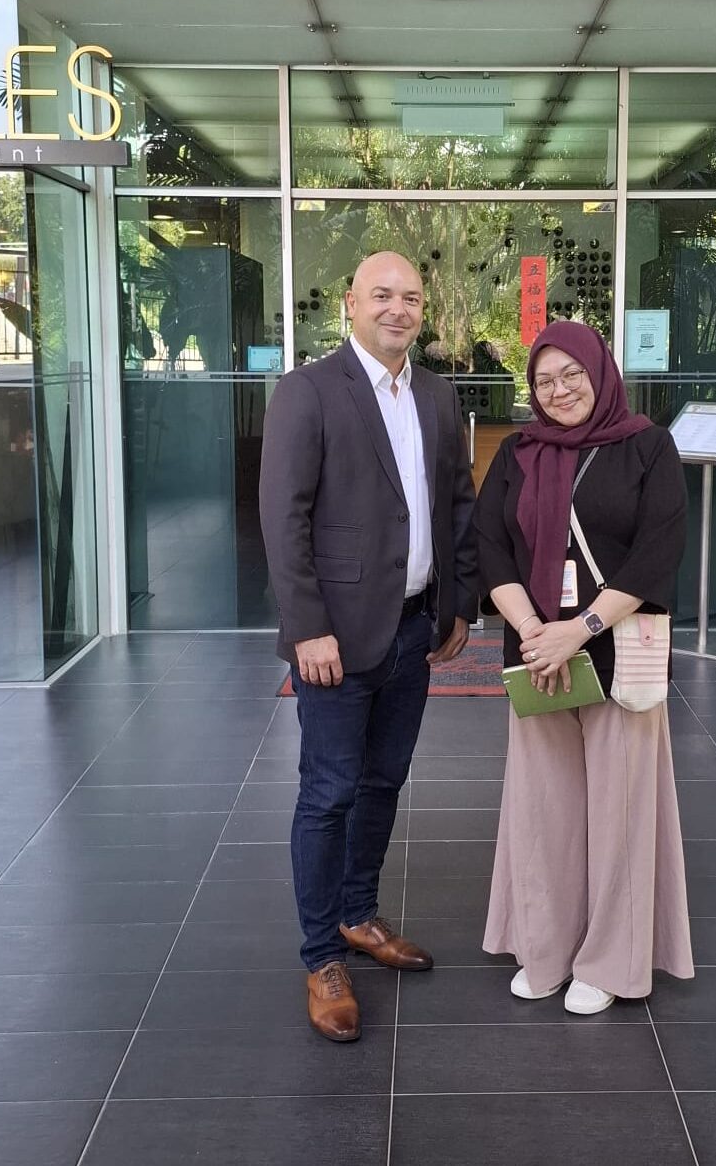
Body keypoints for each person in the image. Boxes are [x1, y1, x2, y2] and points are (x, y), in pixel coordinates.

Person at [260, 251, 478, 1042]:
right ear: (349, 304)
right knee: (329, 793)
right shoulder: (309, 391)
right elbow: (283, 516)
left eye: (410, 297)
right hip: (335, 637)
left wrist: (459, 605)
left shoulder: (437, 394)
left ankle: (357, 913)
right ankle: (322, 955)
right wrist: (306, 625)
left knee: (384, 780)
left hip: (415, 627)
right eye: (381, 294)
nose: (398, 308)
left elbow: (457, 504)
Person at [473, 320, 694, 1013]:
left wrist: (580, 628)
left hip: (614, 647)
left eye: (572, 374)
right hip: (538, 652)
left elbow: (658, 551)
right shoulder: (518, 452)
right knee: (544, 810)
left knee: (620, 810)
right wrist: (534, 631)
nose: (559, 389)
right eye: (544, 380)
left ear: (600, 373)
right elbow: (489, 547)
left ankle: (608, 961)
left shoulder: (647, 447)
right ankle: (545, 947)